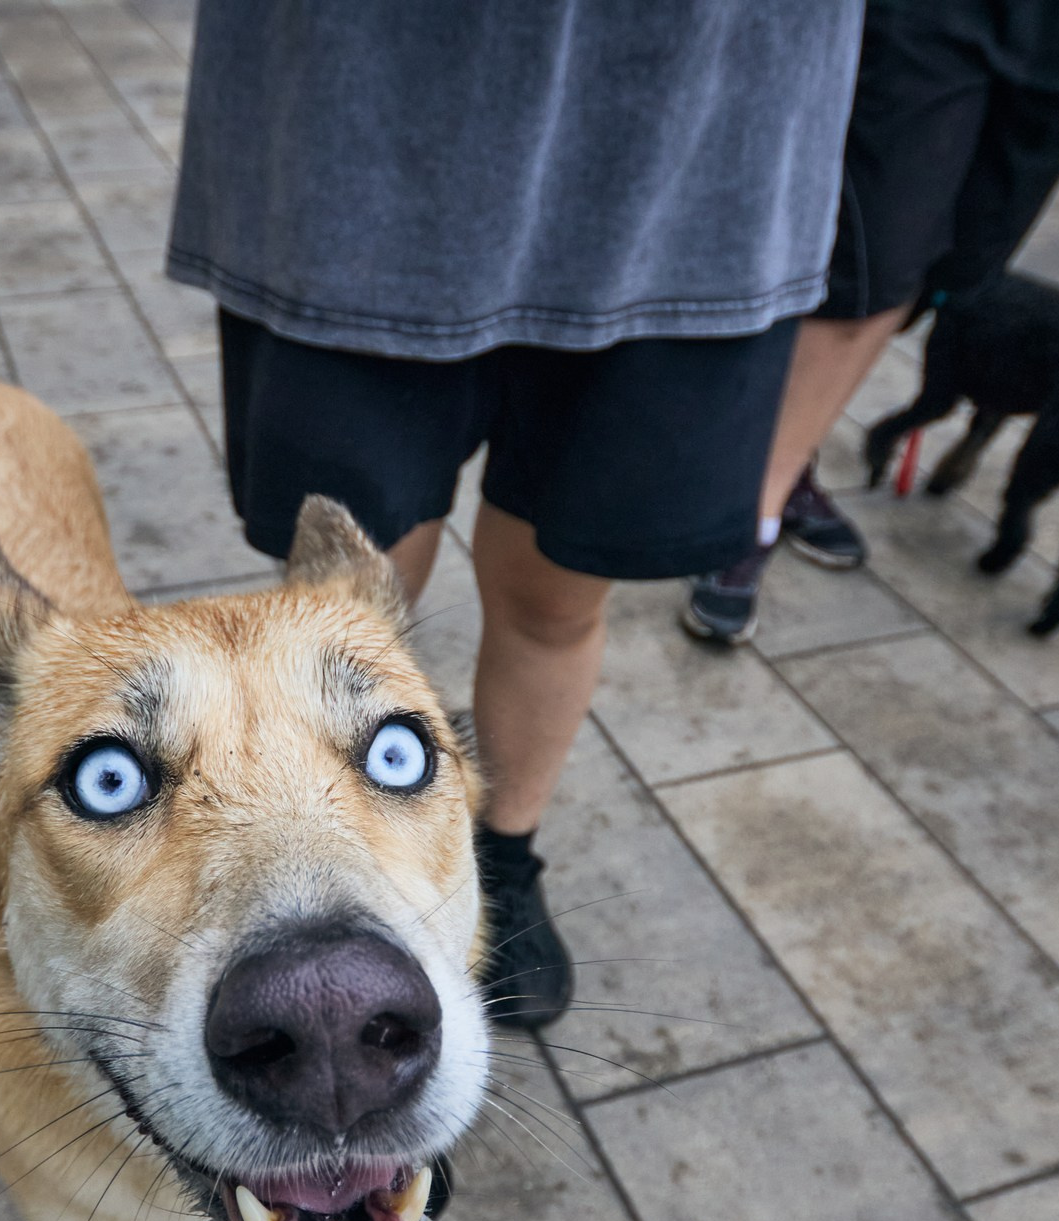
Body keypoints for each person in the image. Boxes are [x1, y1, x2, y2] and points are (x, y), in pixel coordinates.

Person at [168, 3, 862, 1027]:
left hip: (694, 148)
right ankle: (319, 859)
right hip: (358, 127)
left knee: (554, 598)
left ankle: (502, 852)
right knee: (341, 610)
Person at [683, 0, 1059, 644]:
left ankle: (786, 453)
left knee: (957, 268)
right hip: (937, 15)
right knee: (874, 254)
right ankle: (755, 508)